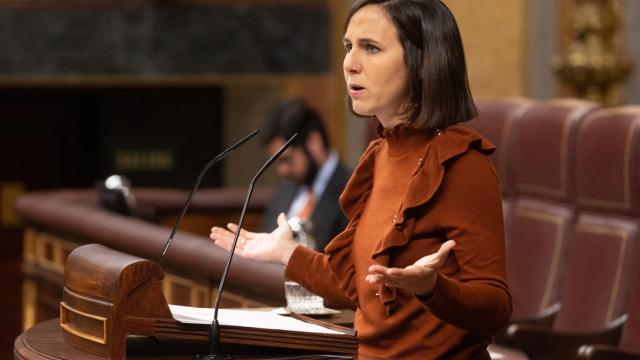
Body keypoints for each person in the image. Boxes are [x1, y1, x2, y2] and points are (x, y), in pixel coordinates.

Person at [211, 0, 512, 358]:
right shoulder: (378, 156)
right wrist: (287, 253)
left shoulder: (461, 163)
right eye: (348, 47)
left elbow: (496, 308)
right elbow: (361, 288)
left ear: (421, 62)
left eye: (371, 48)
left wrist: (433, 288)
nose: (350, 64)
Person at [260, 99, 351, 251]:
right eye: (277, 162)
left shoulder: (353, 190)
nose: (282, 170)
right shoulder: (285, 190)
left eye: (287, 159)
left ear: (314, 142)